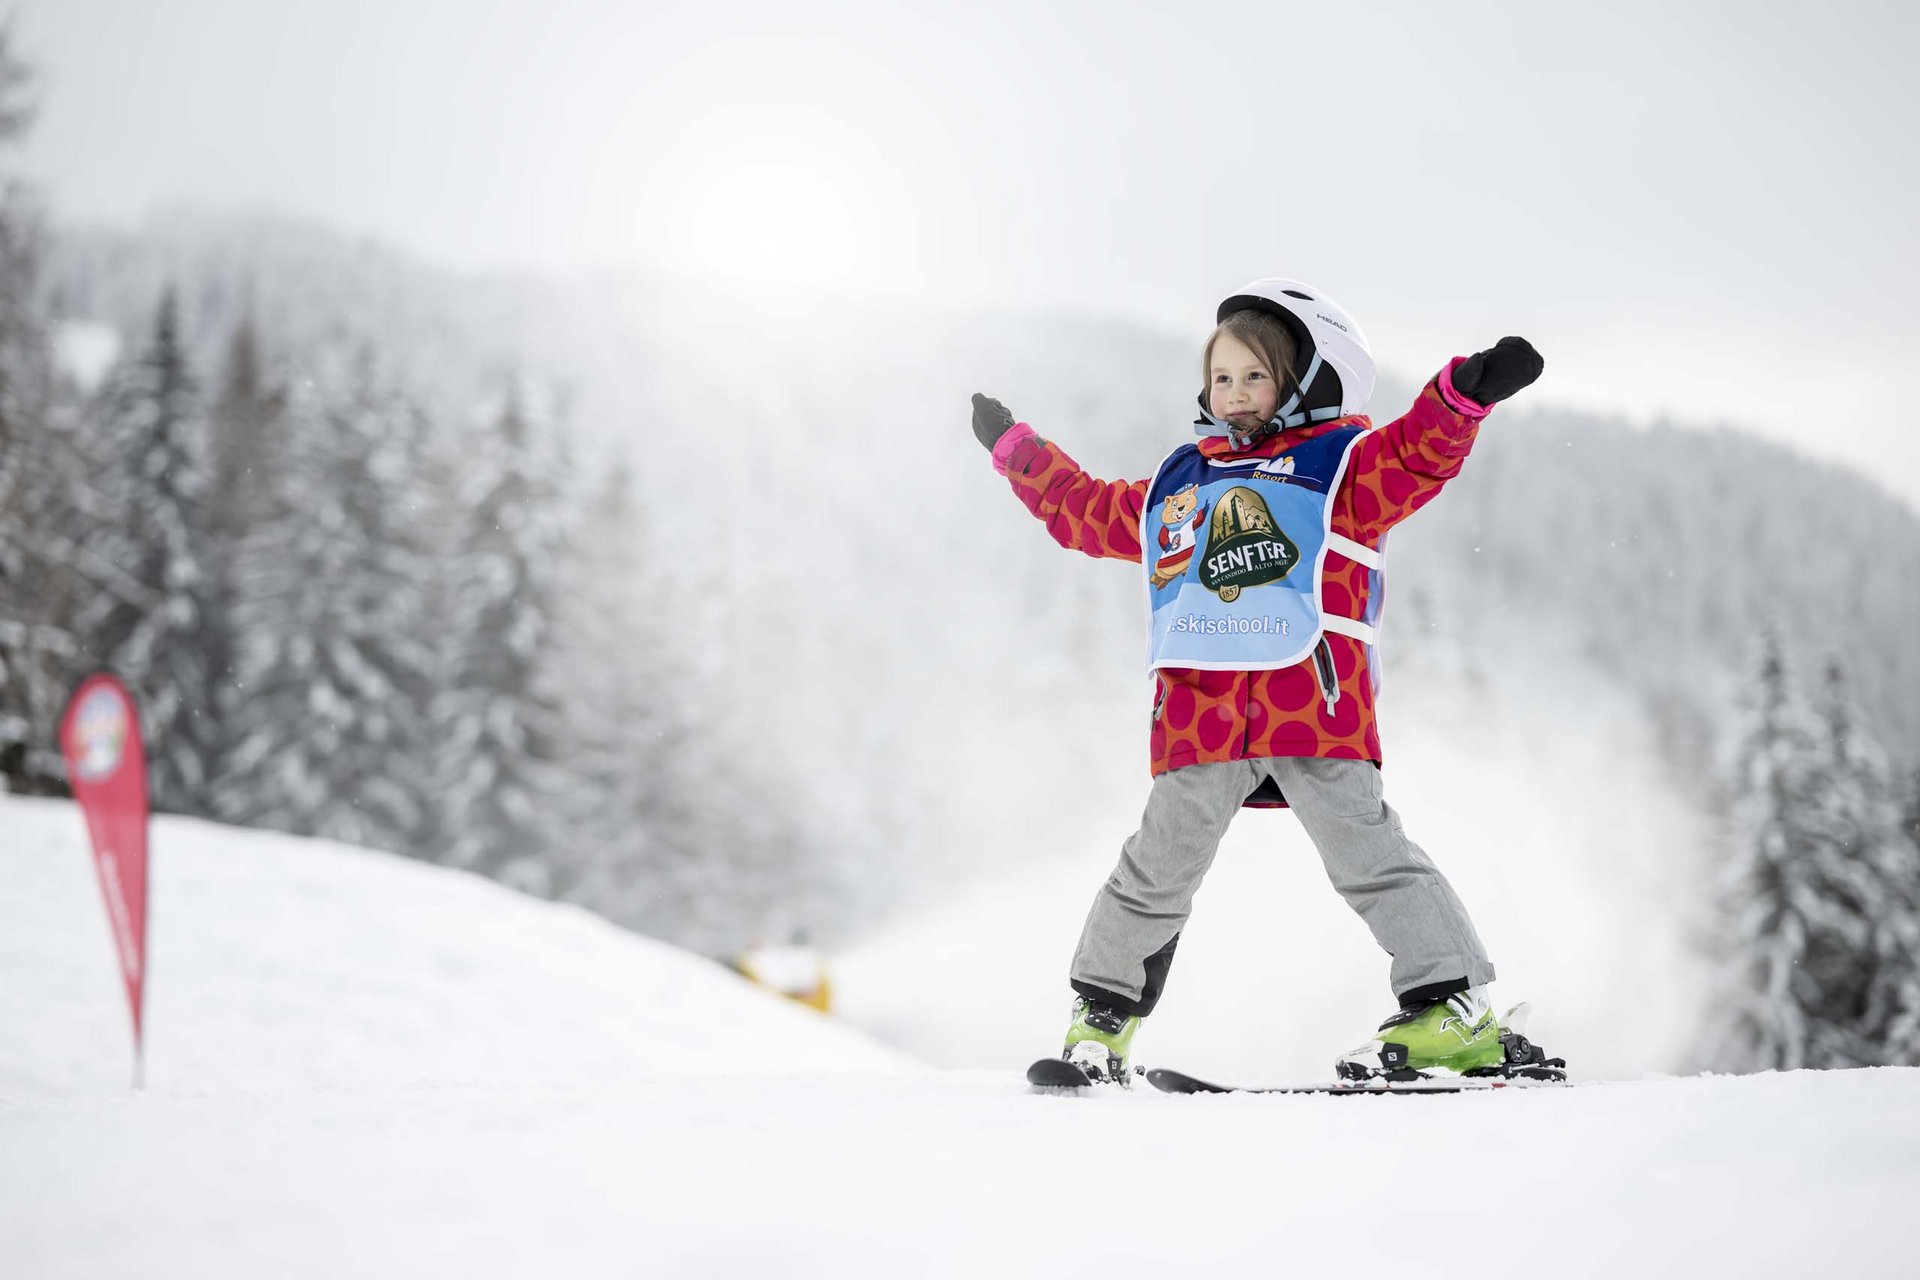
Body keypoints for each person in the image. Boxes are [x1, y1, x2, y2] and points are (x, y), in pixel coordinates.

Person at [970, 278, 1544, 1084]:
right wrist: (1019, 455)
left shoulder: (1341, 469)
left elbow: (1416, 454)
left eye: (1255, 376)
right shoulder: (1184, 482)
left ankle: (1455, 1010)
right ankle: (1100, 1022)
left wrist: (1462, 395)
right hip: (1201, 719)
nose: (1232, 393)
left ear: (1307, 379)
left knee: (1368, 853)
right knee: (1156, 865)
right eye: (1221, 377)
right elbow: (1090, 511)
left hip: (1313, 706)